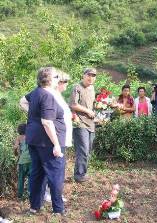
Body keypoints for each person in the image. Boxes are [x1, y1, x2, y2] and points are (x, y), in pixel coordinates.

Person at [23, 67, 66, 214]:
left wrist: (34, 116)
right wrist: (56, 145)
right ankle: (58, 209)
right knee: (55, 174)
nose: (58, 79)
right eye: (56, 76)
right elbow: (47, 122)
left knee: (37, 173)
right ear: (49, 79)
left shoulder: (36, 92)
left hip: (34, 140)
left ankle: (35, 207)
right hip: (47, 142)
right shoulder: (47, 95)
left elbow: (22, 102)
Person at [44, 70, 72, 203]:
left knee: (57, 167)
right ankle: (53, 195)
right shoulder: (52, 95)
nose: (67, 85)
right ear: (59, 82)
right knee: (56, 168)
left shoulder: (58, 96)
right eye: (65, 82)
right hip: (57, 137)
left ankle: (51, 193)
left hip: (62, 136)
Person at [70, 68, 96, 183]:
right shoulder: (77, 87)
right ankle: (79, 175)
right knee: (83, 150)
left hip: (91, 123)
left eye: (93, 76)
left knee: (88, 150)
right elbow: (73, 105)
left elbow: (92, 106)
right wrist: (87, 111)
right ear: (84, 75)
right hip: (79, 123)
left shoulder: (92, 89)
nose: (91, 77)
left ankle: (82, 172)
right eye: (88, 75)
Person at [14, 123, 31, 200]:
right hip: (31, 160)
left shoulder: (19, 138)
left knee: (21, 178)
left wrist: (16, 153)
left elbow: (15, 147)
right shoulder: (30, 136)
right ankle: (29, 194)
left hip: (22, 161)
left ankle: (19, 195)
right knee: (31, 178)